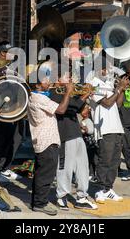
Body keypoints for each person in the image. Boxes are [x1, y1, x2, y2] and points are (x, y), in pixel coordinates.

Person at [27, 75, 73, 216]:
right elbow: (61, 110)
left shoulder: (35, 96)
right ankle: (40, 204)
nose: (49, 82)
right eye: (45, 81)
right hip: (47, 141)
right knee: (45, 175)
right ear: (37, 85)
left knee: (41, 174)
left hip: (44, 140)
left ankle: (36, 202)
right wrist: (68, 92)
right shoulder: (39, 98)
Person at [50, 72, 97, 211]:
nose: (70, 79)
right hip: (64, 134)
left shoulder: (69, 92)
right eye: (66, 77)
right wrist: (82, 95)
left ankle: (82, 197)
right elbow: (72, 106)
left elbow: (81, 109)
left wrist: (87, 95)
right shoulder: (54, 93)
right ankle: (61, 196)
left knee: (83, 168)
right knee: (65, 168)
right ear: (57, 79)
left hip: (76, 133)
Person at [87, 57, 129, 203]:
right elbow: (106, 103)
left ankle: (108, 188)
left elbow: (118, 104)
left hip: (116, 126)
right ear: (99, 69)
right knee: (105, 160)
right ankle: (99, 190)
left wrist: (122, 90)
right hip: (104, 128)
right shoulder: (93, 84)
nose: (109, 72)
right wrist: (118, 89)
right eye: (106, 69)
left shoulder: (110, 84)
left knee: (115, 161)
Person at [0, 41, 23, 181]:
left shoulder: (11, 67)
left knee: (15, 139)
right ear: (2, 53)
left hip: (12, 108)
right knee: (0, 141)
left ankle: (4, 168)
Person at [79, 104, 98, 182]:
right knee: (88, 159)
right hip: (86, 144)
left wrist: (84, 129)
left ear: (88, 112)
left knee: (93, 159)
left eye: (84, 109)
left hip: (91, 144)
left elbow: (91, 131)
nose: (81, 112)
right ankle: (91, 174)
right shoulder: (82, 121)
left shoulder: (88, 121)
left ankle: (94, 174)